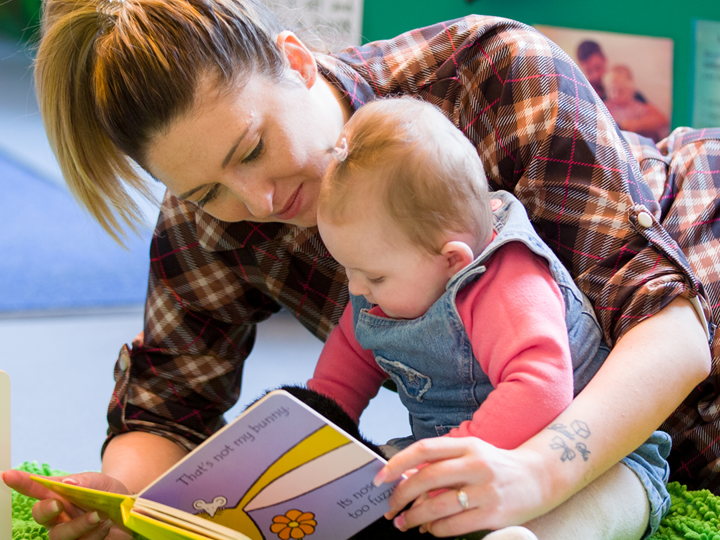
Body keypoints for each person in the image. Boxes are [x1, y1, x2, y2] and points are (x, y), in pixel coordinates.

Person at [2, 0, 716, 539]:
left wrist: (536, 473)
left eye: (251, 150)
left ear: (297, 61)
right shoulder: (209, 222)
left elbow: (671, 328)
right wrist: (121, 500)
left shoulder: (490, 76)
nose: (260, 200)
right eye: (206, 191)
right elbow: (169, 401)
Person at [307, 96, 669, 539]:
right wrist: (316, 433)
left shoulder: (507, 281)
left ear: (452, 260)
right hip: (461, 455)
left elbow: (539, 388)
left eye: (373, 275)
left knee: (592, 513)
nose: (357, 288)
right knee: (373, 494)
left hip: (590, 455)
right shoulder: (383, 286)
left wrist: (450, 455)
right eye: (349, 268)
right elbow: (345, 365)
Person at [604, 65, 669, 143]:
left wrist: (634, 124)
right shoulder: (605, 107)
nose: (615, 95)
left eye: (621, 91)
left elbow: (661, 121)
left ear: (631, 91)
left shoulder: (637, 107)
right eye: (611, 90)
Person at [576, 40, 647, 104]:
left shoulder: (622, 86)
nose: (595, 75)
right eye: (588, 72)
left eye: (598, 67)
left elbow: (656, 115)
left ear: (604, 60)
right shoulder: (582, 95)